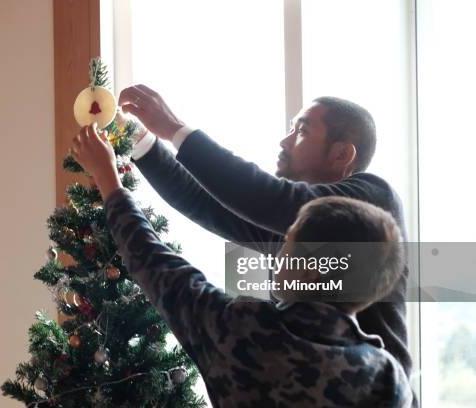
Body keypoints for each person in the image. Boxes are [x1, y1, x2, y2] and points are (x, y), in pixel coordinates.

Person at [69, 126, 413, 407]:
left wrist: (107, 179)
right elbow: (209, 210)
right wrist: (143, 145)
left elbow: (155, 262)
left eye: (288, 241)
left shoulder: (240, 329)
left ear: (311, 268)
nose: (277, 254)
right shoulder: (387, 378)